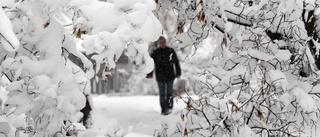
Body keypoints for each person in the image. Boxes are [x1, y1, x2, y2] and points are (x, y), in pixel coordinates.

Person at [147, 36, 181, 115]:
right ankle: (163, 109)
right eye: (161, 42)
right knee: (162, 94)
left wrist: (178, 72)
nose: (162, 44)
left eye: (164, 42)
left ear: (165, 42)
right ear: (159, 43)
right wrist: (150, 73)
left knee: (169, 93)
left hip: (170, 76)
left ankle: (169, 108)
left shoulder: (170, 51)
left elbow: (176, 62)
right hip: (160, 76)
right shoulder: (156, 52)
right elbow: (150, 63)